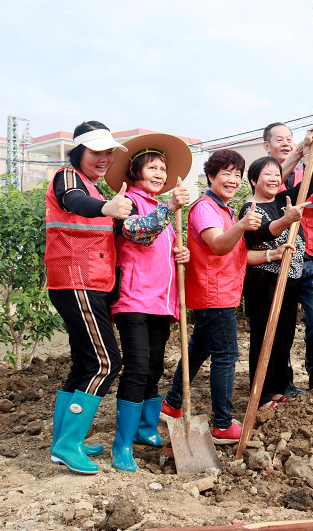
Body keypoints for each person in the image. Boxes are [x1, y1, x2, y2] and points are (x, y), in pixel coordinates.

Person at [161, 149, 265, 444]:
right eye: (226, 174)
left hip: (220, 292)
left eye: (236, 174)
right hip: (213, 294)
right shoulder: (206, 208)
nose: (232, 180)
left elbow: (236, 254)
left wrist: (271, 253)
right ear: (211, 176)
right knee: (226, 356)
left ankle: (172, 402)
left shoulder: (225, 210)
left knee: (198, 350)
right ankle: (221, 423)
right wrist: (243, 225)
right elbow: (219, 246)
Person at [45, 120, 132, 474]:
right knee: (106, 363)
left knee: (84, 362)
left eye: (109, 152)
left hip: (91, 282)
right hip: (75, 279)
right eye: (97, 152)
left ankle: (62, 442)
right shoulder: (69, 178)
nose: (104, 158)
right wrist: (106, 209)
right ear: (80, 151)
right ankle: (68, 444)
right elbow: (72, 201)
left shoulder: (97, 188)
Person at [105, 133, 192, 472]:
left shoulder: (162, 209)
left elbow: (161, 251)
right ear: (135, 174)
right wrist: (169, 208)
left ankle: (144, 429)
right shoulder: (130, 202)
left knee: (155, 367)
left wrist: (180, 254)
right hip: (133, 299)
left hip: (161, 302)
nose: (159, 173)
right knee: (138, 368)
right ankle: (122, 444)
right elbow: (137, 232)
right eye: (151, 167)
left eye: (162, 168)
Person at [240, 156, 313, 409]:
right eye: (266, 174)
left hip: (291, 277)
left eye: (276, 174)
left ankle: (276, 388)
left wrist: (312, 158)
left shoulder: (284, 202)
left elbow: (310, 186)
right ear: (253, 180)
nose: (273, 179)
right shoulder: (250, 208)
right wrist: (286, 220)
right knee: (264, 335)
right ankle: (259, 395)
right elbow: (257, 235)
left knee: (284, 334)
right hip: (264, 279)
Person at [263, 122, 313, 392]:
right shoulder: (266, 175)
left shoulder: (306, 171)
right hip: (284, 257)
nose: (286, 143)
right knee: (283, 325)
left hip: (311, 255)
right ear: (267, 146)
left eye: (290, 139)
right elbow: (276, 181)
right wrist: (302, 152)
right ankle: (285, 380)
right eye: (279, 139)